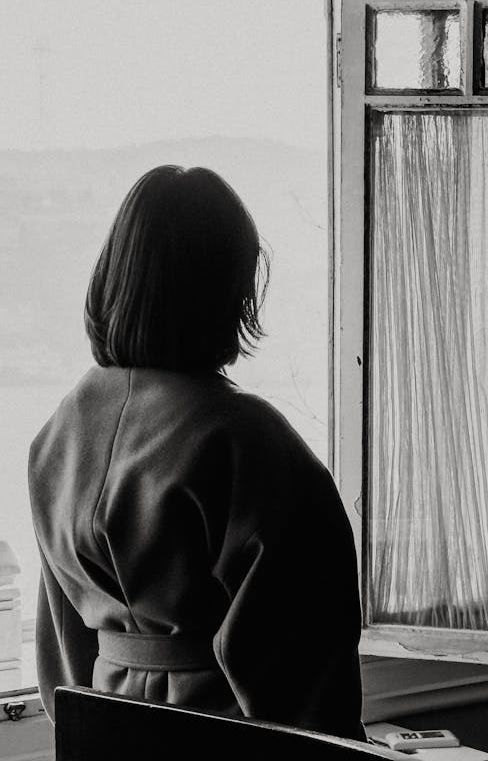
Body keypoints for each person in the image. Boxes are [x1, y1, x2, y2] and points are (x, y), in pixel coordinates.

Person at [28, 165, 364, 740]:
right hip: (225, 733)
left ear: (115, 276)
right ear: (226, 290)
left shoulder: (60, 433)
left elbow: (60, 643)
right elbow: (305, 660)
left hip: (107, 733)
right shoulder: (248, 442)